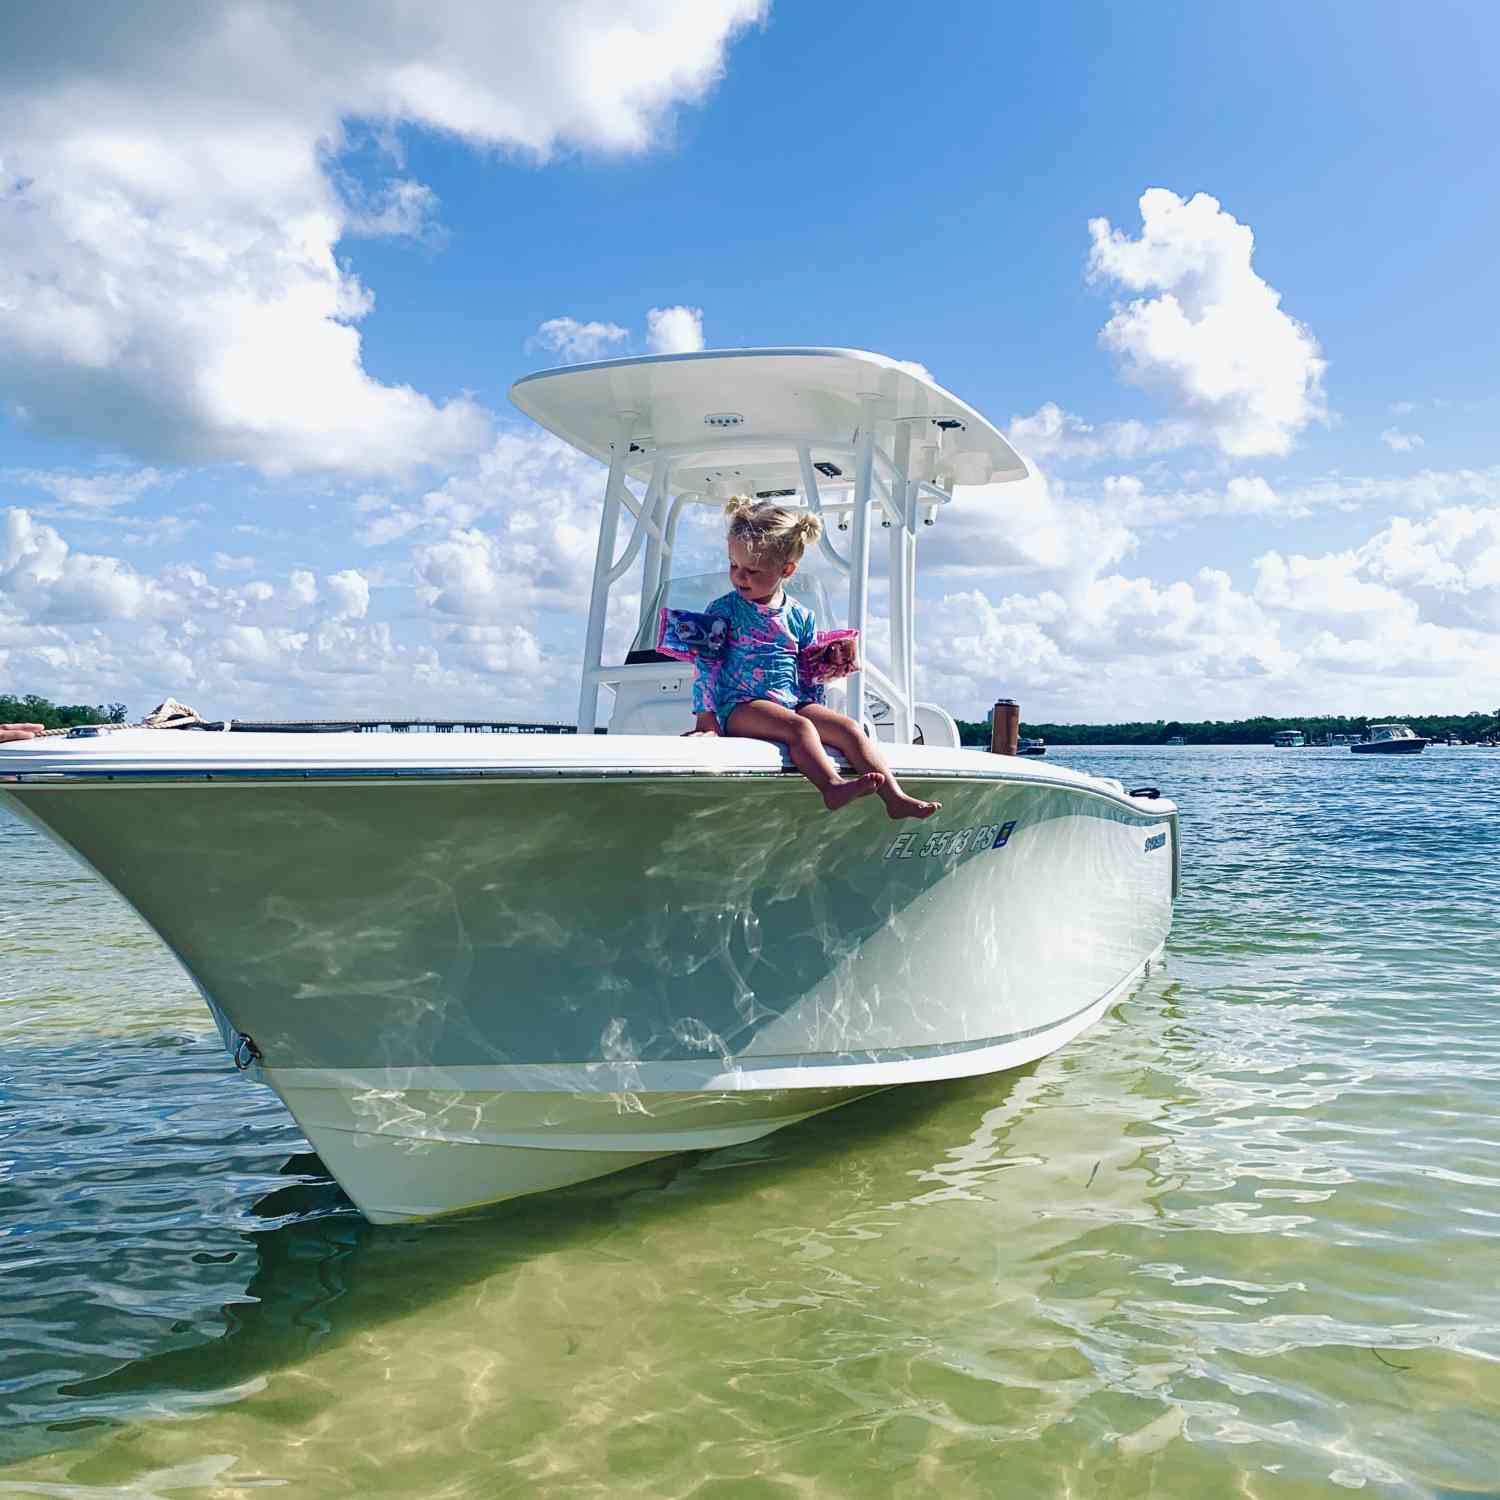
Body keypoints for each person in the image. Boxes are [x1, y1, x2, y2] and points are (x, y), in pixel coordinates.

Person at [684, 497, 940, 820]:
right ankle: (832, 787)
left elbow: (806, 673)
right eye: (734, 566)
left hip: (790, 701)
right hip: (739, 706)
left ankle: (895, 797)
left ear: (786, 569)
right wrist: (705, 720)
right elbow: (706, 664)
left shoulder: (801, 616)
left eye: (752, 570)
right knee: (801, 728)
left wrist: (829, 665)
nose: (739, 577)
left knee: (848, 729)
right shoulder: (724, 610)